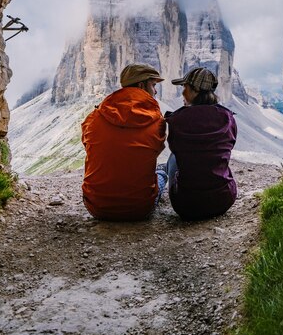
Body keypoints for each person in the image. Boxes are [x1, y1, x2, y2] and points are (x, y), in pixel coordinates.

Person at [81, 63, 168, 221]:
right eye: (153, 85)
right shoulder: (157, 122)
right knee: (162, 172)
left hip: (96, 206)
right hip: (139, 208)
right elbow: (156, 150)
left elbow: (88, 146)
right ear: (142, 85)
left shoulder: (93, 118)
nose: (155, 91)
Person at [164, 67, 238, 221]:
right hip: (223, 200)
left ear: (196, 90)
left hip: (185, 205)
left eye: (185, 87)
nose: (182, 92)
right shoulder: (228, 117)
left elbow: (175, 147)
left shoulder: (177, 119)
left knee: (173, 158)